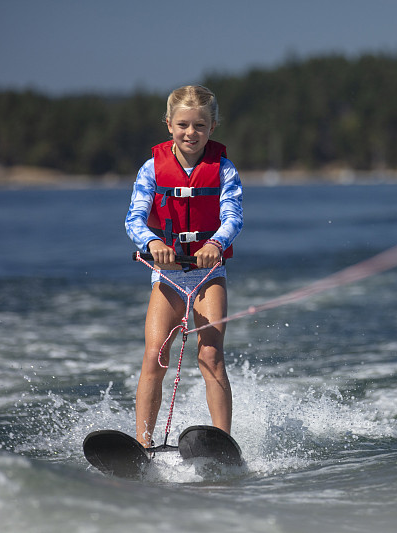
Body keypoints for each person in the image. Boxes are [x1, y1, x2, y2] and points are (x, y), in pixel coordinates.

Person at [125, 85, 243, 448]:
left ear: (213, 127)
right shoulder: (151, 169)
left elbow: (233, 216)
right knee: (156, 356)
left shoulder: (223, 169)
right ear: (169, 125)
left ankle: (223, 443)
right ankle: (142, 445)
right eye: (183, 125)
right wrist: (153, 243)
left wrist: (214, 243)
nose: (191, 133)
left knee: (210, 354)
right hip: (169, 272)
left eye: (200, 125)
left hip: (209, 273)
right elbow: (134, 219)